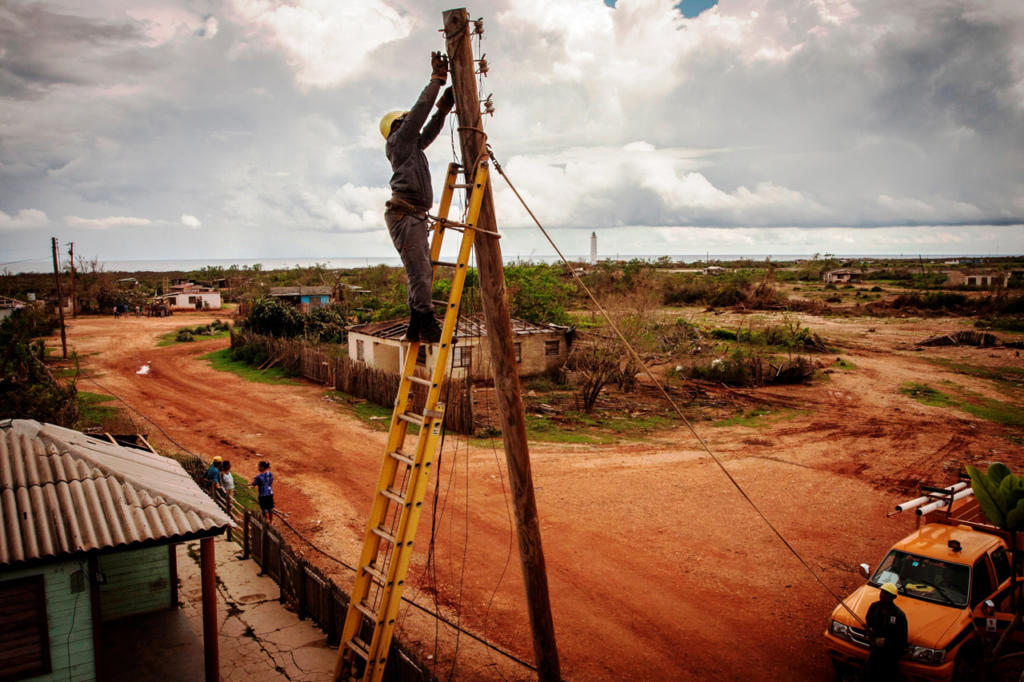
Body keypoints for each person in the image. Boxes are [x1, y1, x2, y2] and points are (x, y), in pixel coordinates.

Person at [378, 51, 456, 343]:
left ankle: (415, 327)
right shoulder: (398, 141)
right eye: (406, 121)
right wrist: (437, 80)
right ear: (398, 125)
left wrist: (443, 111)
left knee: (420, 271)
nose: (411, 123)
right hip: (406, 215)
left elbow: (428, 130)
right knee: (420, 273)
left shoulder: (410, 147)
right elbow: (420, 111)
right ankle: (427, 323)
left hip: (412, 215)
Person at [861, 582, 907, 681]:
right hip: (875, 649)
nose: (882, 595)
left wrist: (885, 642)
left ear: (893, 597)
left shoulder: (899, 615)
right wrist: (869, 631)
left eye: (886, 594)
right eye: (882, 592)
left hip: (890, 655)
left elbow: (902, 639)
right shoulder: (874, 607)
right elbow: (869, 621)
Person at [252, 460, 274, 524]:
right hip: (270, 493)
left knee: (264, 509)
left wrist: (254, 481)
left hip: (262, 495)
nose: (258, 468)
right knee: (270, 507)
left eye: (259, 466)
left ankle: (266, 521)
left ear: (262, 467)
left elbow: (254, 483)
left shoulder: (259, 476)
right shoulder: (270, 474)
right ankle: (271, 521)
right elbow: (271, 481)